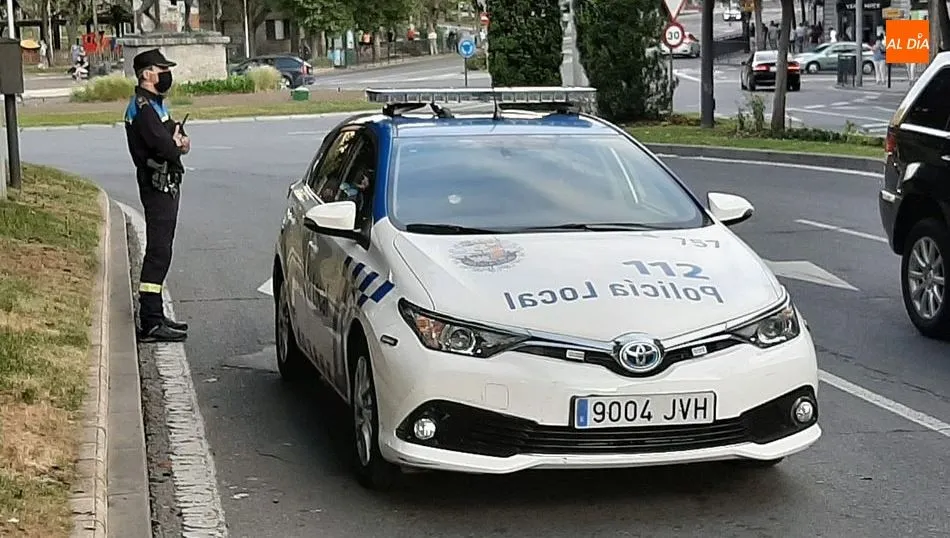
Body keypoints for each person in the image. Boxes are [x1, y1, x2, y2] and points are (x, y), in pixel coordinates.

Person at [124, 48, 191, 343]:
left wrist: (180, 141)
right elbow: (164, 146)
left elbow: (174, 135)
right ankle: (150, 321)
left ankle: (156, 314)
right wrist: (175, 145)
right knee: (158, 251)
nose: (166, 74)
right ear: (146, 73)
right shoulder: (143, 106)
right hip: (156, 183)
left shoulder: (156, 105)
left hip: (166, 182)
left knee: (164, 249)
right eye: (161, 69)